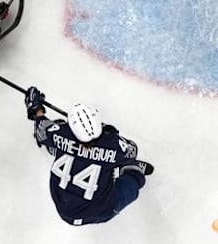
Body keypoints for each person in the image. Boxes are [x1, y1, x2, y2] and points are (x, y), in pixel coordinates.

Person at [23, 86, 154, 225]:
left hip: (64, 208)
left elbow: (41, 127)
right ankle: (124, 169)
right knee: (134, 177)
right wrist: (112, 134)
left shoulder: (60, 133)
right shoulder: (112, 144)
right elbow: (132, 150)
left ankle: (56, 150)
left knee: (57, 128)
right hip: (102, 210)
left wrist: (36, 107)